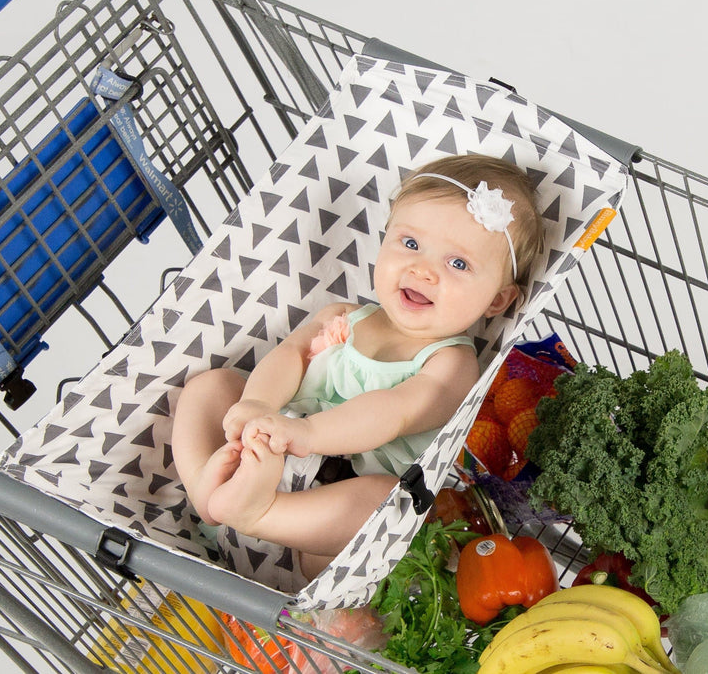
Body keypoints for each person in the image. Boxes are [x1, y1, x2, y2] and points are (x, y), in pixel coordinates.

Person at [172, 154, 544, 582]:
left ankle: (258, 515)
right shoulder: (344, 315)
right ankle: (206, 487)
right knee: (212, 385)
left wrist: (308, 434)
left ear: (497, 301)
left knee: (384, 502)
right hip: (251, 458)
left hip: (317, 526)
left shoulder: (452, 363)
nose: (422, 269)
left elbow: (392, 411)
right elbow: (290, 356)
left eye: (457, 264)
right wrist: (257, 402)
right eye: (409, 243)